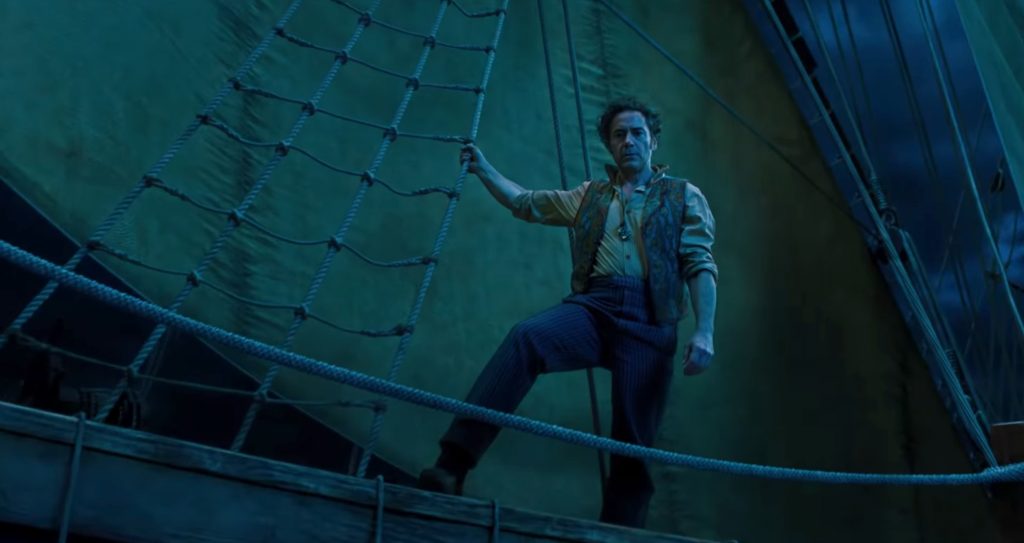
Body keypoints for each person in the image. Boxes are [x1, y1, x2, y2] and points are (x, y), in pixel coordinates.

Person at [417, 96, 718, 529]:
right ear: (609, 145)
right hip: (595, 308)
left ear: (653, 140)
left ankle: (620, 532)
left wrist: (704, 331)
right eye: (619, 135)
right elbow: (525, 202)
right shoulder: (591, 196)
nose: (628, 141)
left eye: (637, 133)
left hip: (651, 321)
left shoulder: (682, 195)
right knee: (528, 338)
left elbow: (699, 264)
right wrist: (484, 169)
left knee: (633, 440)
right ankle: (452, 466)